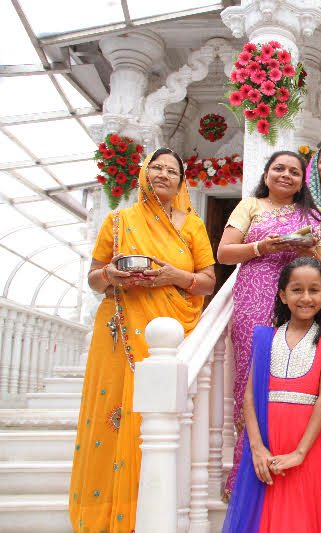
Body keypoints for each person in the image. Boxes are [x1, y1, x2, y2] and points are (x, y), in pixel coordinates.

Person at [70, 148, 217, 532]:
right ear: (143, 174)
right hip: (119, 327)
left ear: (181, 182)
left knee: (153, 414)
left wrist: (173, 277)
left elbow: (207, 281)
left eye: (172, 170)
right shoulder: (118, 221)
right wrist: (111, 277)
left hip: (167, 327)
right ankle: (107, 510)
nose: (163, 175)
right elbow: (94, 275)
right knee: (114, 414)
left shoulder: (192, 225)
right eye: (157, 168)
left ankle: (149, 504)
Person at [217, 151, 321, 498]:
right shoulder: (250, 206)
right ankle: (245, 469)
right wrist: (262, 247)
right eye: (278, 169)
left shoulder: (311, 216)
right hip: (255, 296)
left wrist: (306, 245)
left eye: (294, 171)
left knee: (290, 378)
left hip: (299, 303)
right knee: (251, 378)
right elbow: (224, 253)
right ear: (266, 175)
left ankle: (287, 455)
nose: (286, 175)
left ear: (302, 181)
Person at [223, 258, 321, 532]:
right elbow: (250, 397)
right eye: (297, 289)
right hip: (265, 443)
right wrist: (257, 448)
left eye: (314, 290)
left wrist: (299, 454)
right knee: (261, 520)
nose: (306, 297)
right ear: (283, 295)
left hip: (306, 447)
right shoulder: (264, 337)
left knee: (300, 520)